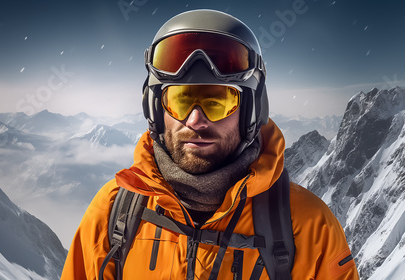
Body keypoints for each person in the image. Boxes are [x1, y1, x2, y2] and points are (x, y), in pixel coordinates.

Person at [61, 9, 359, 279]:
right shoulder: (114, 211)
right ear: (154, 108)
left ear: (251, 112)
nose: (195, 121)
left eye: (218, 101)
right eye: (179, 100)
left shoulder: (308, 228)